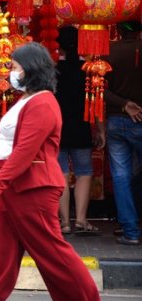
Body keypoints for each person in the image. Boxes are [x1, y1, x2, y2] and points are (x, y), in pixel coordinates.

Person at [0, 42, 107, 301]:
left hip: (30, 189)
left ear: (31, 69)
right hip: (12, 186)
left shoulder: (43, 102)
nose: (11, 72)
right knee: (0, 254)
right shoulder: (27, 99)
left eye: (15, 67)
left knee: (53, 256)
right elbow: (14, 140)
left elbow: (25, 150)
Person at [55, 26, 103, 236]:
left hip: (57, 129)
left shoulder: (54, 69)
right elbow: (97, 104)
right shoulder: (89, 69)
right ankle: (81, 221)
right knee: (84, 172)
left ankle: (65, 222)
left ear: (59, 46)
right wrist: (101, 130)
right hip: (81, 128)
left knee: (61, 173)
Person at [104, 21, 142, 245]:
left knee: (121, 177)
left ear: (117, 30)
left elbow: (98, 88)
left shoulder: (110, 51)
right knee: (126, 177)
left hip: (117, 120)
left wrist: (123, 103)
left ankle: (130, 231)